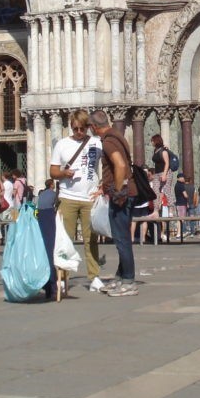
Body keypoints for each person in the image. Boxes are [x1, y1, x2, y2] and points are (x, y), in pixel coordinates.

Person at [49, 109, 104, 292]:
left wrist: (103, 187)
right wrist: (64, 173)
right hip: (68, 197)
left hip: (90, 197)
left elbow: (110, 164)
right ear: (70, 127)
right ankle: (63, 277)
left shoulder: (96, 143)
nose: (79, 132)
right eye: (75, 128)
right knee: (65, 239)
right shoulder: (62, 145)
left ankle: (94, 276)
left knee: (91, 239)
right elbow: (53, 171)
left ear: (89, 127)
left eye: (82, 128)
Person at [92, 109, 139, 297]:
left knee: (121, 239)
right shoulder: (118, 136)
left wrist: (118, 190)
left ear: (94, 127)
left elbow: (119, 165)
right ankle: (121, 276)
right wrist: (105, 186)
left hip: (123, 194)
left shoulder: (109, 142)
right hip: (129, 191)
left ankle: (128, 281)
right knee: (122, 237)